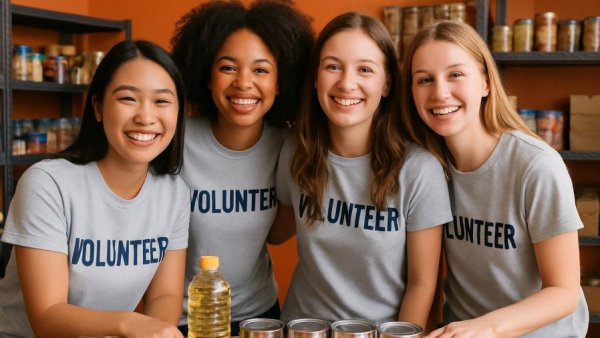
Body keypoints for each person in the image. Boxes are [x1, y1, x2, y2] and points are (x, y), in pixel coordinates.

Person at [400, 21, 589, 337]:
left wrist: (485, 327)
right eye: (424, 80)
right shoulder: (425, 166)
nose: (440, 92)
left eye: (456, 74)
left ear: (486, 83)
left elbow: (564, 292)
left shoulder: (536, 165)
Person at [271, 12, 453, 329]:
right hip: (301, 329)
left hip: (381, 332)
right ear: (315, 78)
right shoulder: (295, 151)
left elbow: (423, 284)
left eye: (365, 70)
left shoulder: (419, 169)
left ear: (386, 84)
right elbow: (275, 232)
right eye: (332, 66)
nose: (347, 83)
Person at [0, 40, 189, 338]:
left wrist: (159, 331)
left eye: (162, 101)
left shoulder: (174, 192)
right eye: (128, 98)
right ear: (98, 108)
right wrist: (129, 324)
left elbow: (164, 296)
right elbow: (47, 317)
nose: (146, 116)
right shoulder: (48, 184)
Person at [170, 0, 314, 335]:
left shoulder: (289, 146)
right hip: (183, 319)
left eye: (261, 70)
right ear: (206, 75)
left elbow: (278, 235)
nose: (243, 83)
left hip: (259, 318)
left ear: (281, 82)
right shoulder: (174, 141)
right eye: (228, 67)